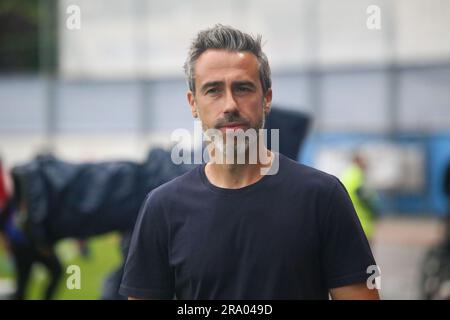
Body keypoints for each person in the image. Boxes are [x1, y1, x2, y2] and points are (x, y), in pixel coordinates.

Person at [119, 24, 379, 300]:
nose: (230, 105)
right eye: (213, 90)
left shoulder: (322, 197)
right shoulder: (162, 208)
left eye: (242, 88)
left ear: (266, 98)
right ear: (193, 103)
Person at [341, 152, 379, 242]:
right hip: (362, 223)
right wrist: (376, 210)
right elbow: (365, 197)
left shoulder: (347, 174)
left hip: (351, 221)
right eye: (364, 160)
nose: (366, 163)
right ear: (357, 161)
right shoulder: (357, 175)